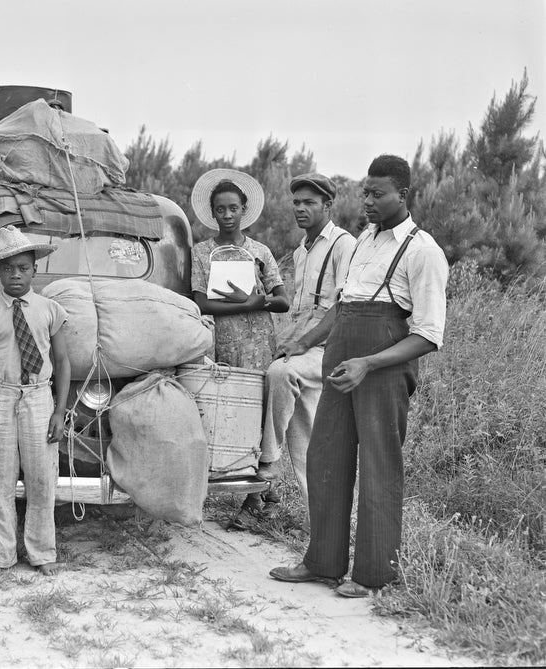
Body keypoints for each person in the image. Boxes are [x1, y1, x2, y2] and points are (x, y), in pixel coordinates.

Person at [270, 155, 448, 597]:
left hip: (382, 369)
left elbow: (428, 334)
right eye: (364, 191)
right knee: (325, 458)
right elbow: (343, 306)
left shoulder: (423, 251)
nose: (366, 201)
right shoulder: (365, 240)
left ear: (402, 195)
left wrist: (369, 363)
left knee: (378, 465)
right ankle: (323, 562)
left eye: (377, 193)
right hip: (341, 361)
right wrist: (307, 342)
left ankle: (373, 575)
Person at [0, 225, 71, 577]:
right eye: (8, 269)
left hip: (39, 398)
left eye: (23, 268)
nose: (16, 275)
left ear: (35, 270)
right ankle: (3, 554)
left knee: (43, 479)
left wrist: (59, 411)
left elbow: (63, 362)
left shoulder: (50, 310)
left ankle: (42, 553)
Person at [189, 169, 290, 527]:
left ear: (244, 209)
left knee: (259, 410)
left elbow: (282, 301)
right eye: (220, 209)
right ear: (212, 213)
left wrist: (258, 301)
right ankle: (237, 480)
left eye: (233, 208)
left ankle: (257, 494)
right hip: (220, 341)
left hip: (258, 341)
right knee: (225, 407)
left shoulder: (259, 251)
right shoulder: (201, 252)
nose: (227, 215)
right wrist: (247, 304)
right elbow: (200, 302)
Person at [264, 173, 355, 524]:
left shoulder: (344, 245)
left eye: (309, 203)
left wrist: (302, 343)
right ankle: (323, 524)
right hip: (304, 339)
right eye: (296, 203)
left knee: (280, 373)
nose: (300, 209)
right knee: (306, 438)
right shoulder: (303, 248)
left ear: (328, 206)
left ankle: (268, 461)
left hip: (328, 346)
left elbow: (342, 307)